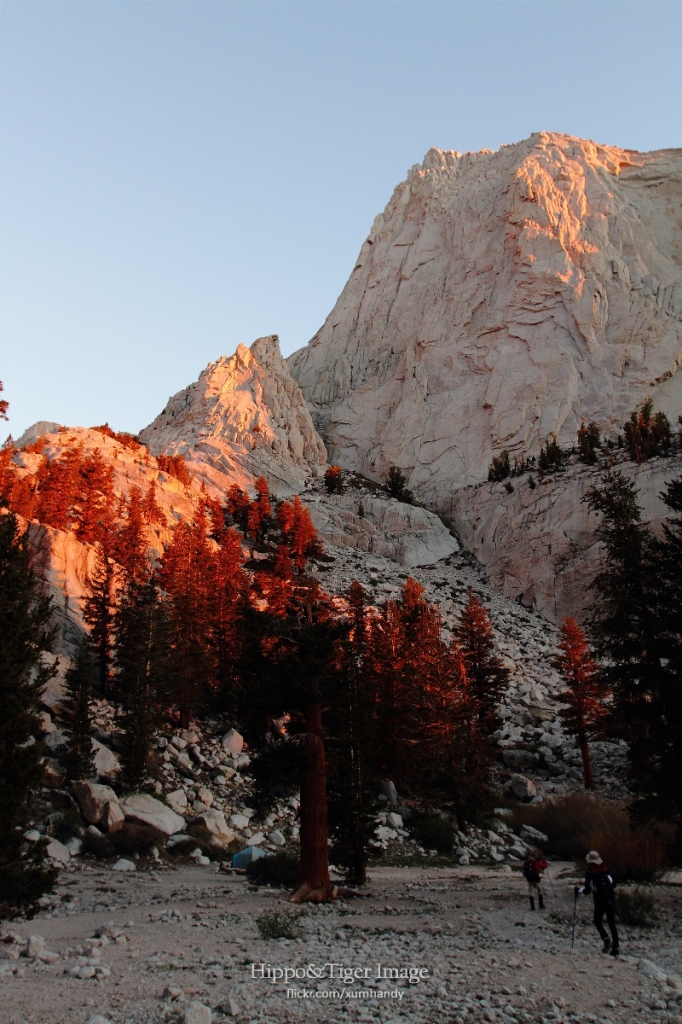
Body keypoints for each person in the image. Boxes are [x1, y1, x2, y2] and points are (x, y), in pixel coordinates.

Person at [576, 850, 619, 956]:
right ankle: (616, 947)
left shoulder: (590, 872)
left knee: (597, 921)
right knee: (612, 924)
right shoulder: (607, 871)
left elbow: (587, 890)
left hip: (599, 901)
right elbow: (613, 885)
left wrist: (578, 891)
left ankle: (606, 939)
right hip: (611, 900)